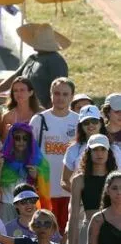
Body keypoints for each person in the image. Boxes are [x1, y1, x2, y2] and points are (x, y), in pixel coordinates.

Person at [33, 77, 80, 231]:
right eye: (57, 93)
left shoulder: (79, 121)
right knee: (44, 233)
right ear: (51, 95)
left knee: (66, 235)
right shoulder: (39, 120)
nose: (60, 98)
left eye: (65, 94)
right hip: (45, 189)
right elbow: (29, 151)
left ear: (72, 96)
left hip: (70, 191)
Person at [0, 23, 70, 109]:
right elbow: (14, 77)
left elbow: (60, 88)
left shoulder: (56, 61)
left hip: (41, 109)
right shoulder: (32, 58)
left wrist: (49, 113)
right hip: (24, 108)